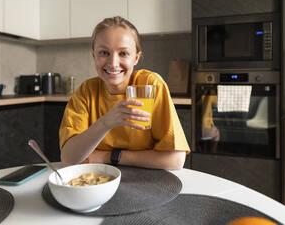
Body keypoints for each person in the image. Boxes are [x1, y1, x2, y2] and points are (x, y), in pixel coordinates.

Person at [59, 16, 190, 170]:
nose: (113, 63)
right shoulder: (86, 91)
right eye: (104, 53)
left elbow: (175, 160)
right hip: (99, 177)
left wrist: (107, 156)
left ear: (136, 58)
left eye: (123, 53)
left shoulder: (151, 84)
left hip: (148, 179)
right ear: (94, 56)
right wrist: (105, 123)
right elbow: (68, 159)